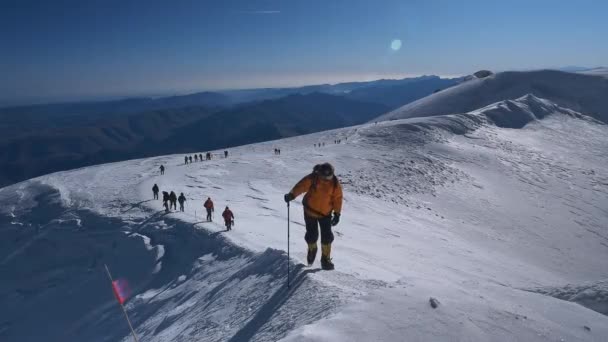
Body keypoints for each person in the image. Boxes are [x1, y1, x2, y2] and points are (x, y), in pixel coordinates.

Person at [284, 163, 343, 270]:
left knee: (327, 236)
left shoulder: (334, 183)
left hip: (325, 214)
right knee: (312, 234)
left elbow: (337, 198)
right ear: (319, 173)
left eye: (328, 177)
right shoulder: (313, 178)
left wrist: (337, 213)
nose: (326, 180)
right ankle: (312, 249)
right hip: (310, 212)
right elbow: (301, 186)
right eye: (324, 177)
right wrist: (292, 195)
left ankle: (325, 259)